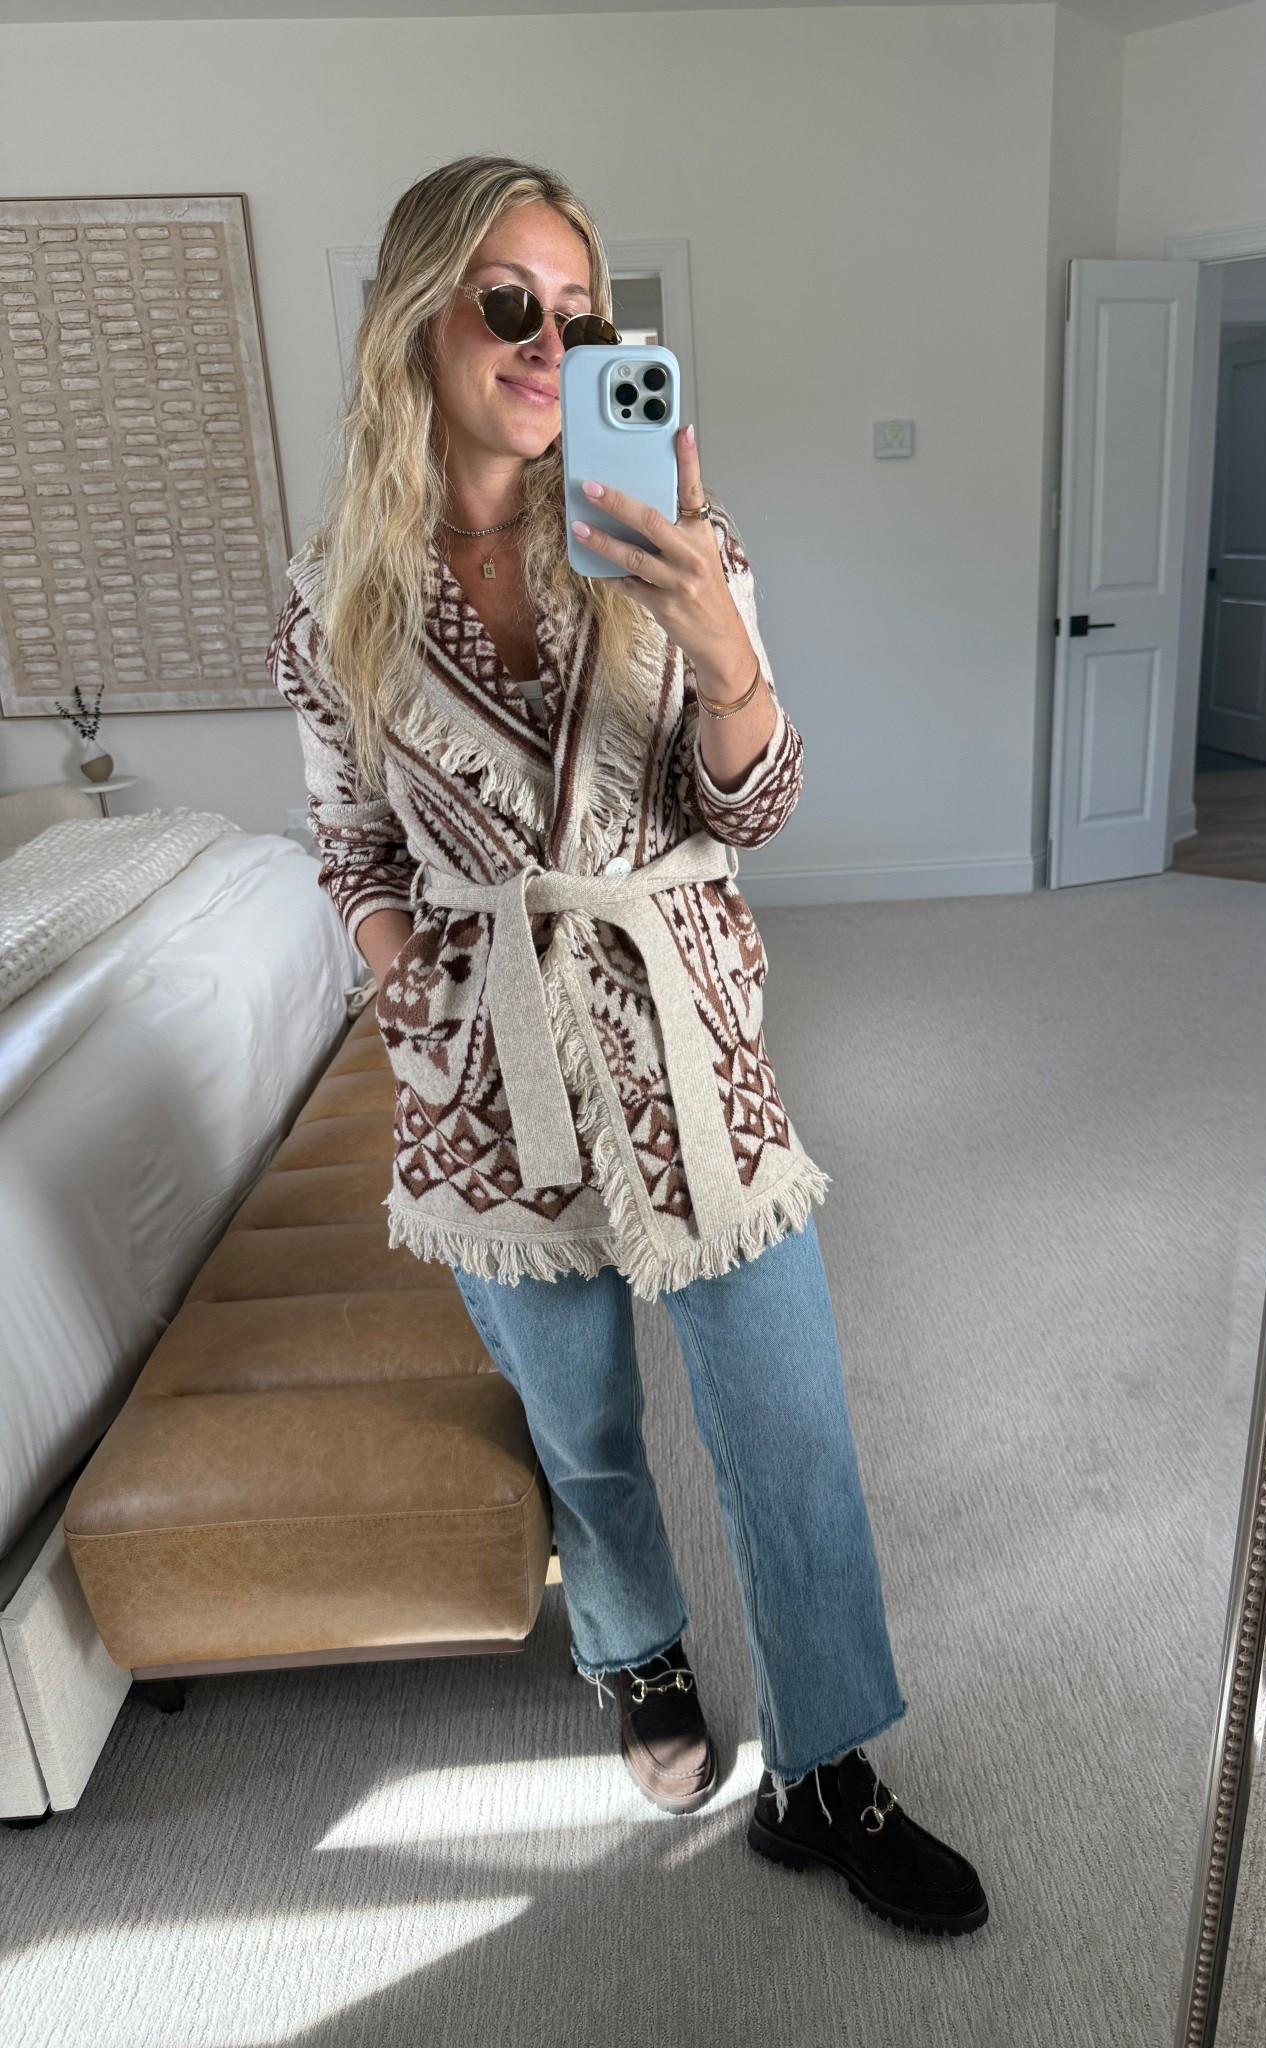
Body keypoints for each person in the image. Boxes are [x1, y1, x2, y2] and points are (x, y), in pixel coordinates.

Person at [269, 153, 987, 1937]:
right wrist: (409, 994)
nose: (550, 343)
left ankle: (828, 1772)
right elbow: (350, 843)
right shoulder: (334, 598)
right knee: (582, 1429)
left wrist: (724, 648)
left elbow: (758, 808)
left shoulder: (675, 539)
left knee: (789, 1428)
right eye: (510, 303)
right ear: (417, 322)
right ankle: (640, 1654)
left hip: (689, 1052)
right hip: (483, 1078)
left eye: (582, 315)